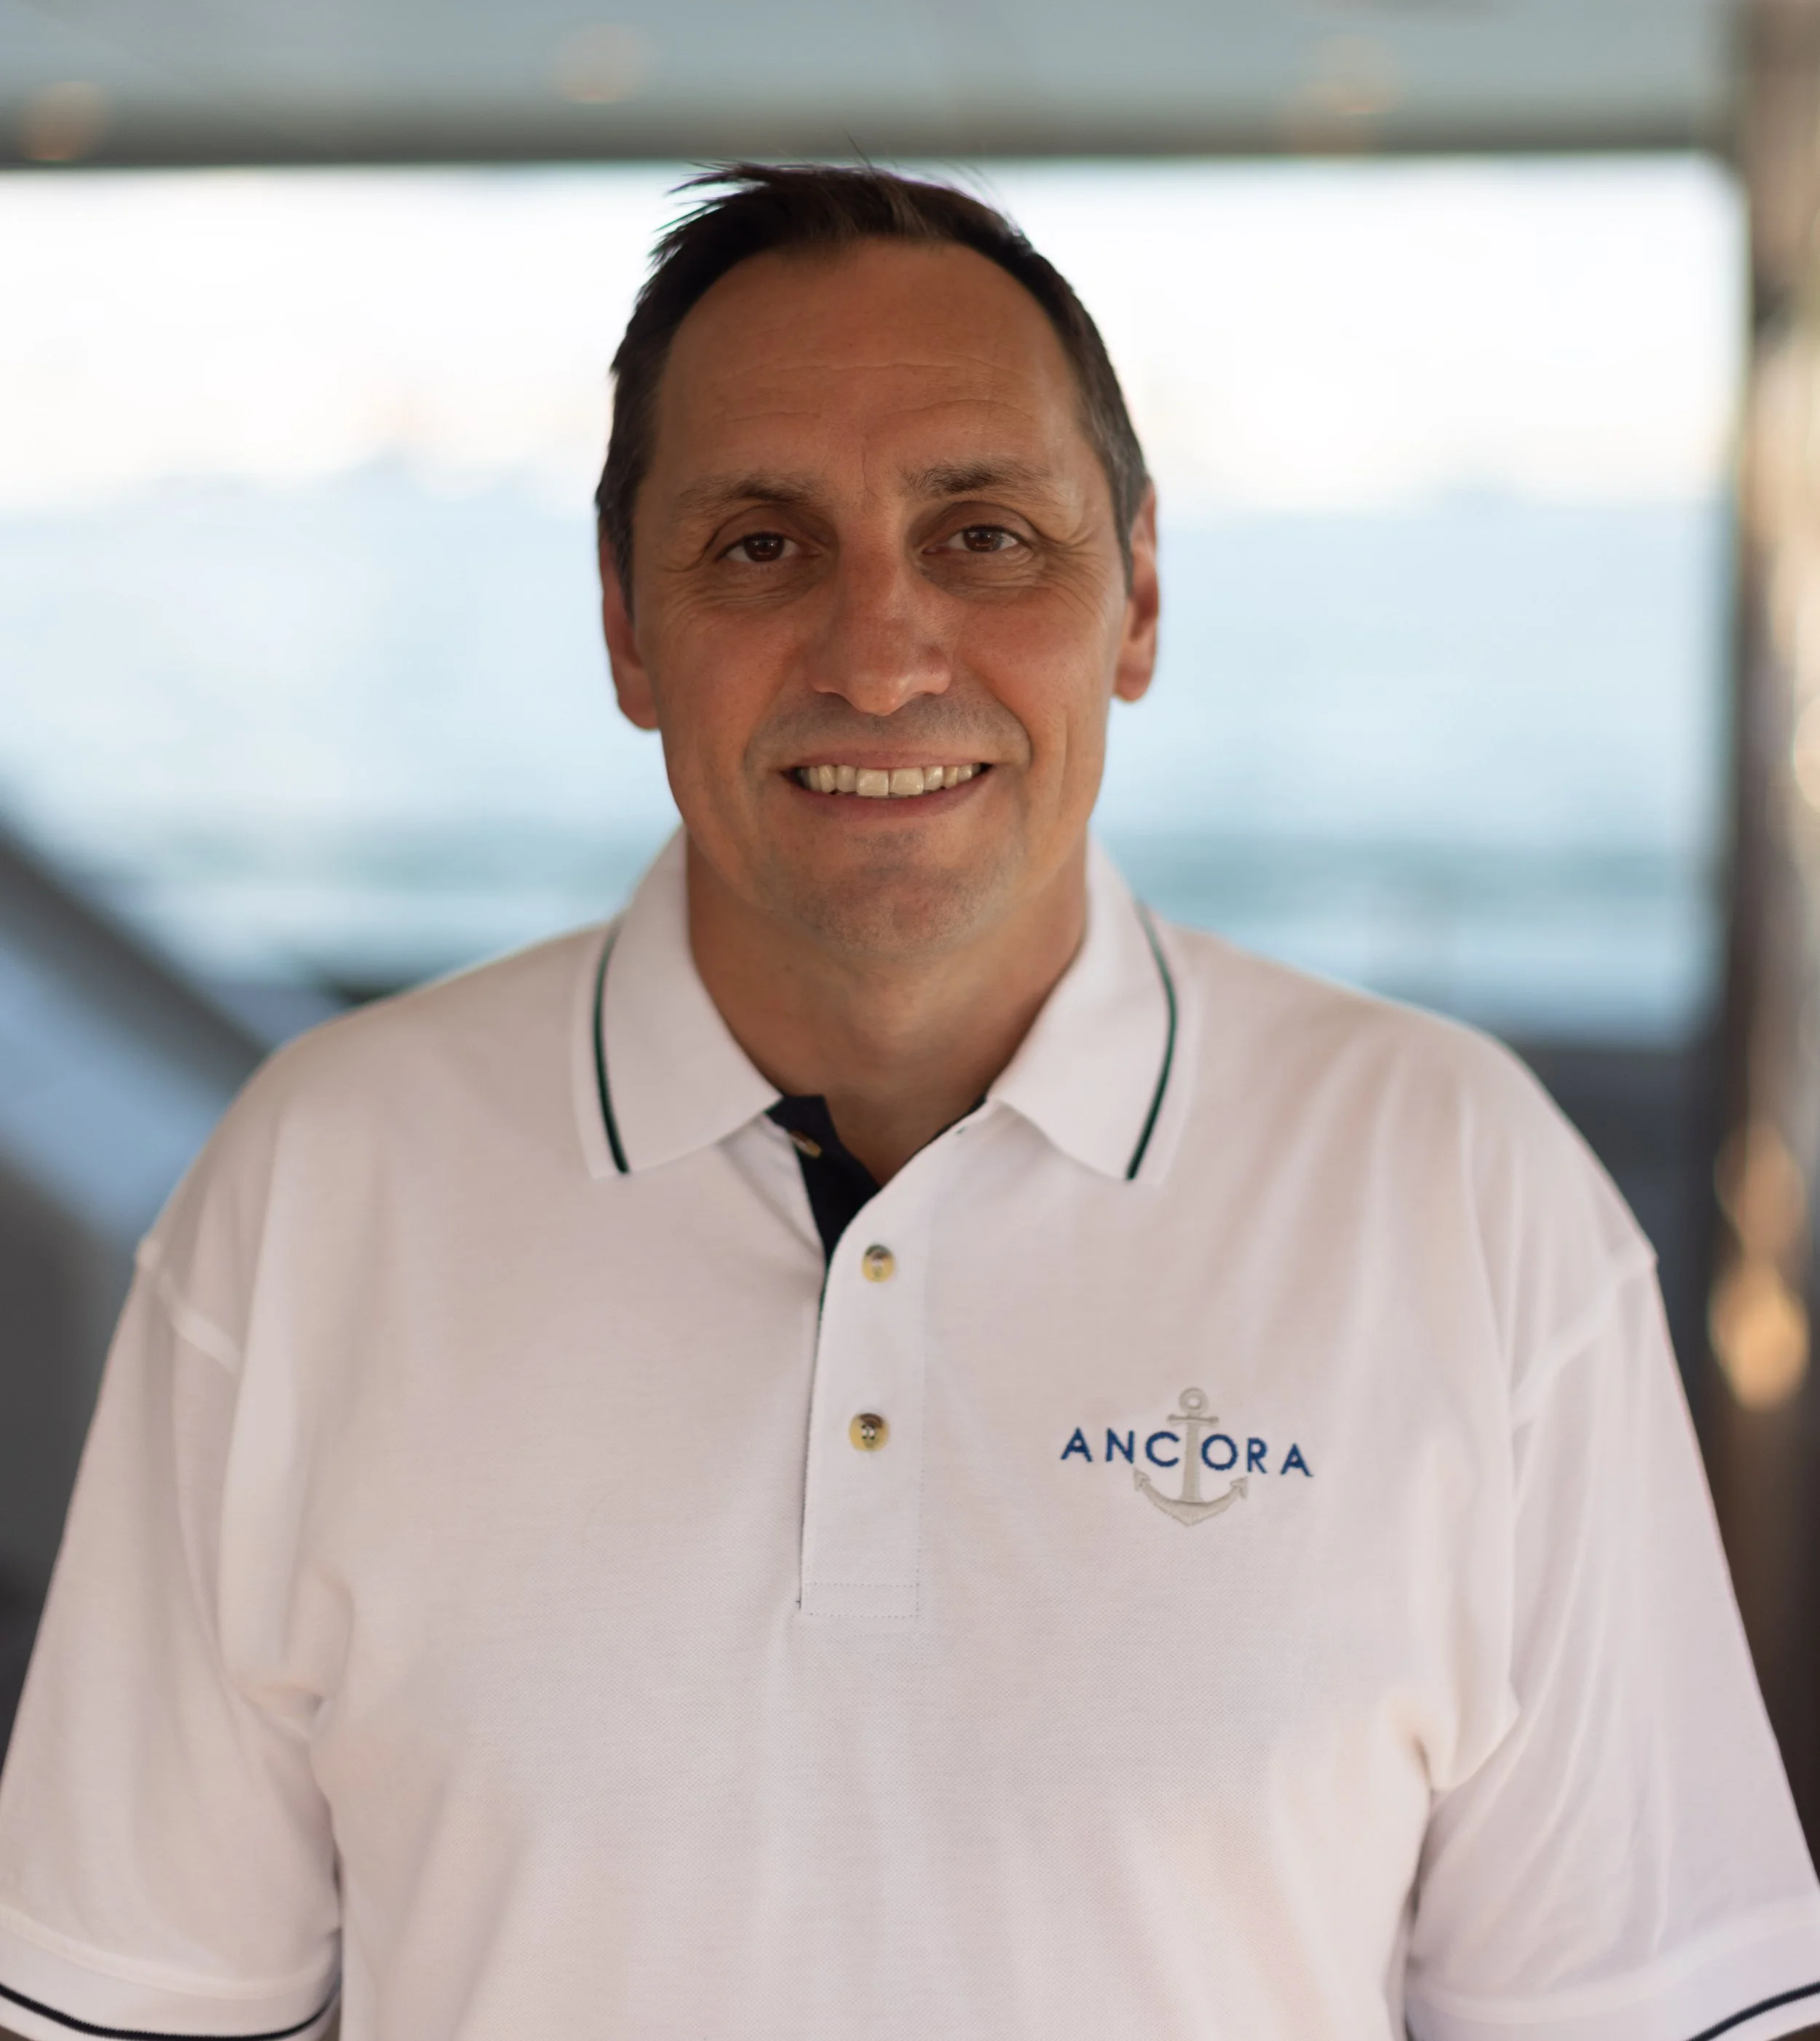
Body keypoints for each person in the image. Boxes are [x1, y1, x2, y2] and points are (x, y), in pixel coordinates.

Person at [0, 164, 1816, 2041]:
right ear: (628, 627)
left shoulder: (1459, 1187)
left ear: (1138, 598)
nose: (880, 655)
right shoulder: (320, 1184)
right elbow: (137, 2005)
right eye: (763, 545)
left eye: (987, 536)